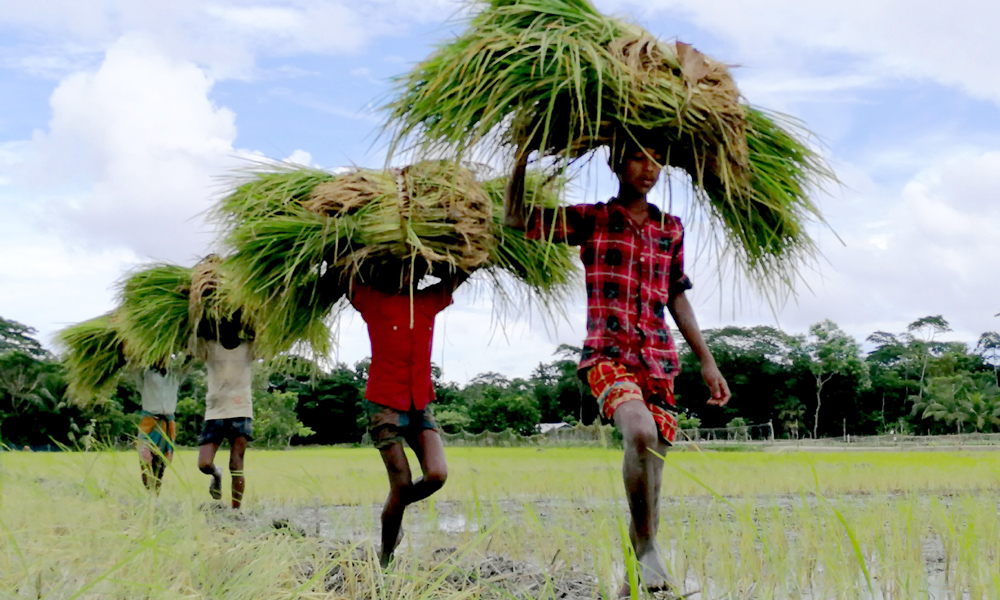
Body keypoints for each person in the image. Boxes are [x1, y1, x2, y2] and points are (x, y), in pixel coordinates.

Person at [505, 137, 731, 596]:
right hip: (608, 355)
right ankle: (648, 550)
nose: (648, 168)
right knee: (641, 434)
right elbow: (515, 221)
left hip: (659, 361)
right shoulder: (594, 219)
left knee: (653, 478)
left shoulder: (671, 227)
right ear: (615, 163)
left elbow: (676, 295)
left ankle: (633, 583)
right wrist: (521, 159)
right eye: (637, 158)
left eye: (656, 159)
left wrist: (708, 362)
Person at [337, 263, 466, 567]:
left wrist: (478, 250)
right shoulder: (372, 300)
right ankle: (385, 556)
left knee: (437, 475)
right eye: (402, 267)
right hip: (383, 403)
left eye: (414, 269)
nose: (408, 275)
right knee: (402, 483)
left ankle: (393, 514)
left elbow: (459, 274)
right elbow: (346, 275)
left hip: (420, 401)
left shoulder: (427, 302)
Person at [195, 315, 255, 509]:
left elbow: (269, 336)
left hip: (241, 410)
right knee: (204, 464)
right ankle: (216, 473)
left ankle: (236, 511)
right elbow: (194, 332)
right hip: (215, 412)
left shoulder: (249, 348)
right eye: (224, 326)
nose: (229, 329)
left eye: (233, 325)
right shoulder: (210, 348)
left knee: (237, 464)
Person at [135, 364, 185, 492]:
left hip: (168, 422)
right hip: (149, 421)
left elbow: (189, 361)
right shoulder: (145, 372)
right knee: (145, 456)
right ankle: (148, 492)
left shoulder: (175, 374)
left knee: (161, 463)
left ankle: (155, 495)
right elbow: (133, 364)